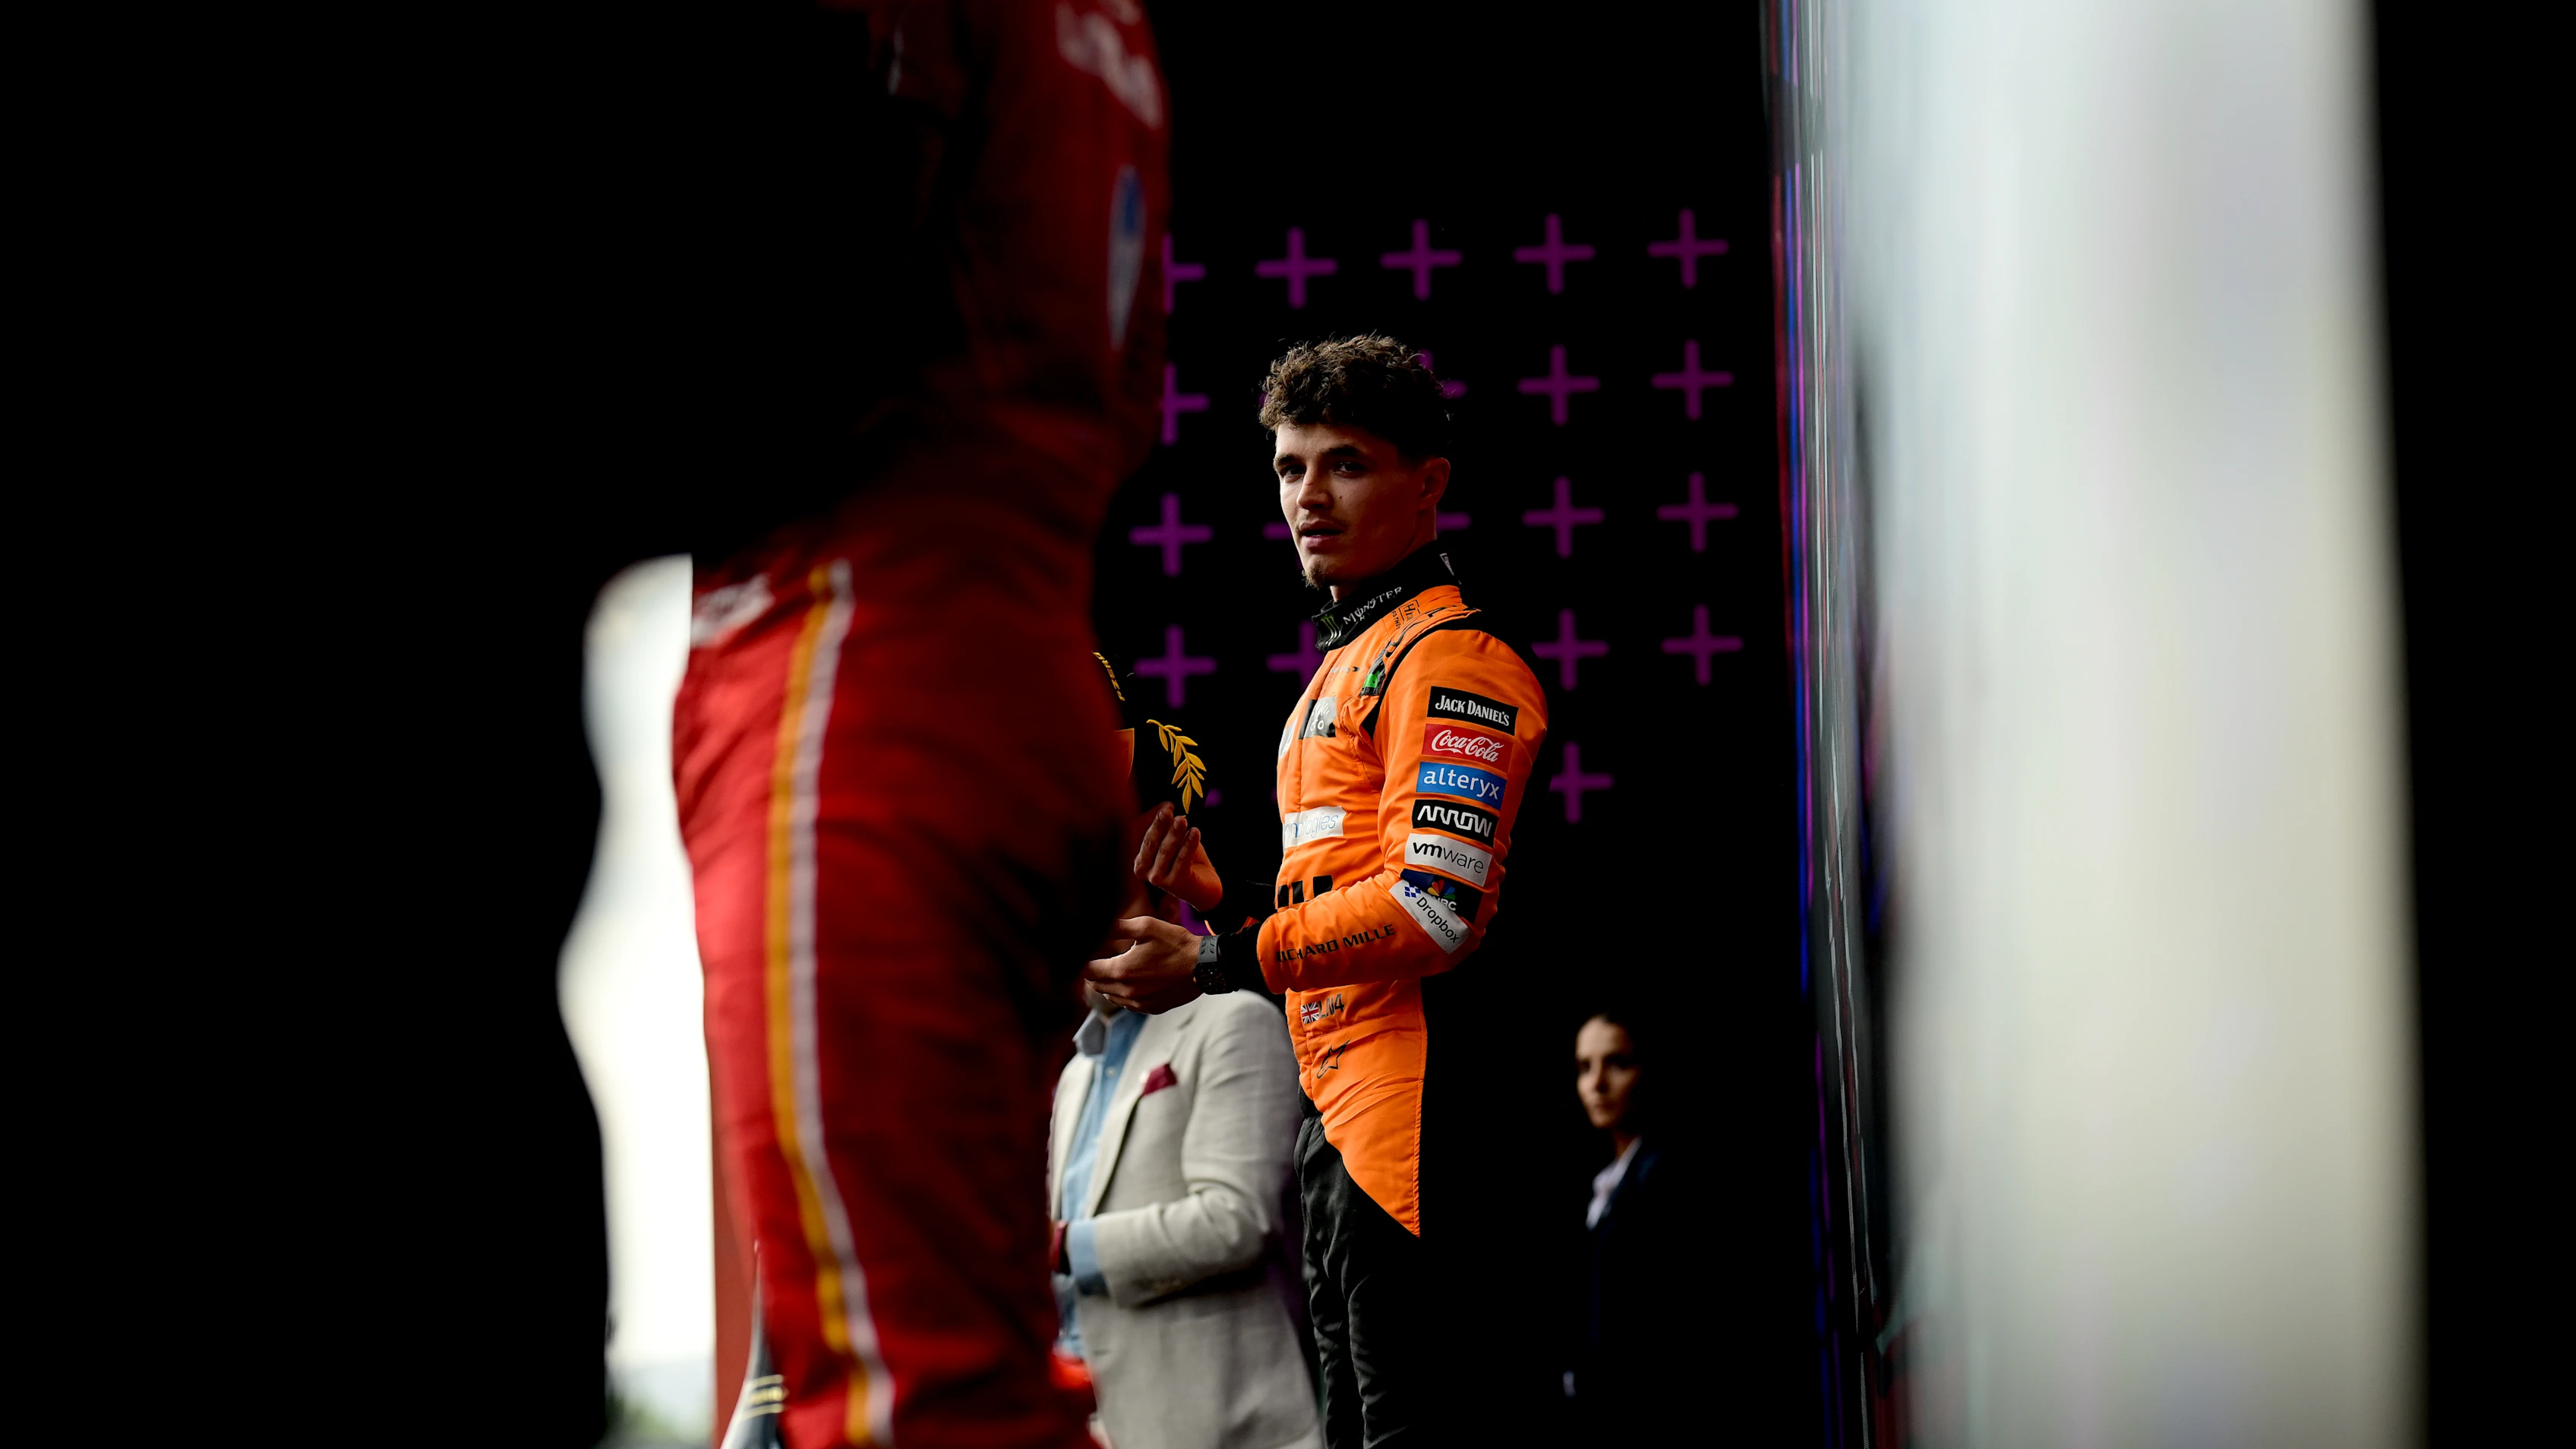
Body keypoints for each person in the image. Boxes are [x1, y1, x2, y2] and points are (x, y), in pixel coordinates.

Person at [677, 2, 1172, 1445]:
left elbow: (767, 342)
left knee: (899, 1403)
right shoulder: (1099, 22)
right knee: (962, 1370)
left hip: (860, 680)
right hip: (994, 656)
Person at [1085, 335, 1552, 1444]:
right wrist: (1225, 898)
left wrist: (1210, 961)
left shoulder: (1457, 660)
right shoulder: (1334, 677)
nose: (1310, 496)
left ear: (1427, 483)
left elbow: (1433, 913)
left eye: (1346, 464)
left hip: (1427, 1132)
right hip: (1340, 1135)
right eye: (1292, 469)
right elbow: (1329, 924)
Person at [1564, 1010, 1697, 1445]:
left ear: (1648, 1069)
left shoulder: (1662, 1176)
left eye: (1616, 1063)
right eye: (1585, 1067)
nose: (1597, 1084)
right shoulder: (1614, 1179)